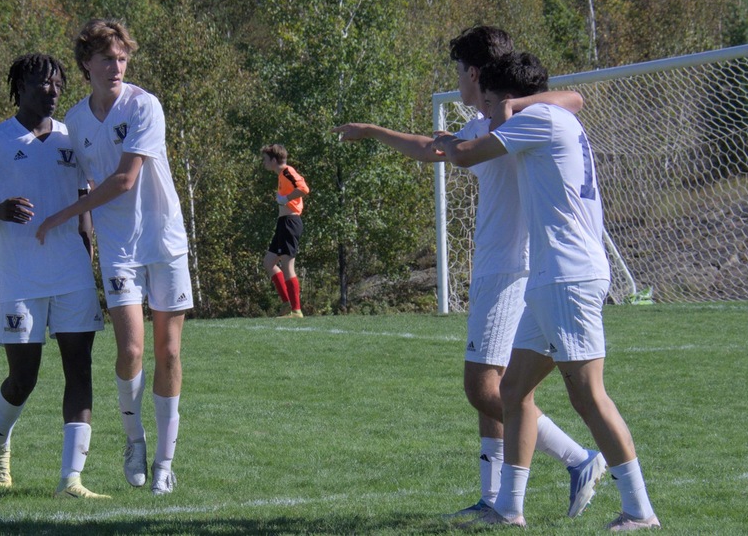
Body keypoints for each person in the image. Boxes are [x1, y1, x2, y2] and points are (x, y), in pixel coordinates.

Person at [332, 26, 605, 520]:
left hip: (511, 271)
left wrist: (504, 109)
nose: (456, 80)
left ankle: (578, 458)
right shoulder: (497, 123)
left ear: (474, 73)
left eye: (458, 71)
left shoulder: (511, 120)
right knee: (495, 389)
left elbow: (574, 97)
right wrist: (372, 131)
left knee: (484, 388)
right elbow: (432, 145)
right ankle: (498, 501)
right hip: (503, 268)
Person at [432, 51, 660, 530]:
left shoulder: (538, 119)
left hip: (567, 275)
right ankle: (508, 509)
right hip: (550, 275)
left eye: (492, 103)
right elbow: (572, 99)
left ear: (511, 99)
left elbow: (467, 153)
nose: (488, 112)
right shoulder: (547, 114)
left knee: (589, 397)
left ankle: (639, 511)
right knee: (513, 390)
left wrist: (454, 142)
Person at [36, 18, 192, 496]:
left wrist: (60, 216)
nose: (117, 67)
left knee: (168, 351)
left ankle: (165, 463)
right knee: (130, 350)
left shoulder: (145, 105)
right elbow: (67, 173)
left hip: (164, 242)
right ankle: (135, 441)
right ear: (87, 64)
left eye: (122, 58)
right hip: (120, 249)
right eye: (107, 59)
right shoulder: (77, 124)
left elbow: (124, 180)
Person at [0, 53, 109, 499]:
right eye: (44, 84)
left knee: (79, 370)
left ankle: (71, 480)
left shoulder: (72, 138)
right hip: (21, 279)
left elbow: (85, 204)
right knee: (23, 378)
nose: (54, 92)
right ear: (20, 87)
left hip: (72, 276)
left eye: (59, 84)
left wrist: (88, 258)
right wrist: (0, 211)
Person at [261, 144, 310, 318]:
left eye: (266, 160)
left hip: (291, 222)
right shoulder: (281, 175)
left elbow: (304, 189)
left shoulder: (287, 171)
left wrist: (286, 198)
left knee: (288, 266)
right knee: (269, 262)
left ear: (274, 160)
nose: (264, 163)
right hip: (283, 223)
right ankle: (287, 304)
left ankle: (296, 310)